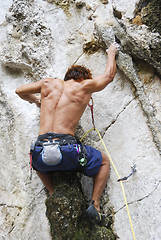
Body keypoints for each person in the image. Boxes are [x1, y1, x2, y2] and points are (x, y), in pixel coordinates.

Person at [15, 43, 119, 223]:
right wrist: (111, 53)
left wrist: (37, 101)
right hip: (67, 151)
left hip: (41, 155)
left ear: (66, 77)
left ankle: (53, 193)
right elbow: (109, 76)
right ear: (83, 78)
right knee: (103, 162)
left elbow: (19, 91)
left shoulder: (48, 83)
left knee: (35, 159)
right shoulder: (84, 86)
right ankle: (95, 204)